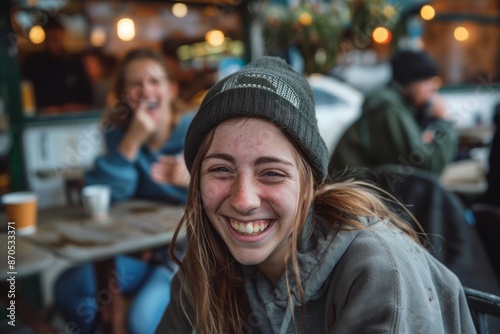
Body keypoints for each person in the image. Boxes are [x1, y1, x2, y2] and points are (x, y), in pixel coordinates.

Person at [155, 56, 475, 333]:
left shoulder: (376, 273)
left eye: (272, 173)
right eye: (221, 170)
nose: (243, 200)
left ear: (309, 184)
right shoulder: (207, 265)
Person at [54, 48, 193, 334]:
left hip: (184, 255)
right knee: (68, 289)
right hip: (136, 252)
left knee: (141, 322)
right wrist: (131, 142)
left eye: (154, 81)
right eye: (135, 83)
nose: (145, 90)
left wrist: (194, 179)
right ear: (123, 94)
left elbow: (231, 194)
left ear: (171, 88)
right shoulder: (118, 134)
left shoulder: (197, 131)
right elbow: (100, 196)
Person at [329, 49, 457, 178]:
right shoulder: (391, 111)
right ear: (409, 83)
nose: (433, 87)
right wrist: (443, 121)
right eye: (426, 80)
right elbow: (427, 171)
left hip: (357, 190)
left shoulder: (397, 106)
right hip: (349, 194)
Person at [22, 17, 93, 113]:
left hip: (72, 117)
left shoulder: (74, 62)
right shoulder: (34, 63)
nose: (54, 40)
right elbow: (27, 94)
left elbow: (87, 96)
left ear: (63, 35)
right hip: (43, 119)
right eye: (51, 37)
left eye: (56, 36)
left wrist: (73, 107)